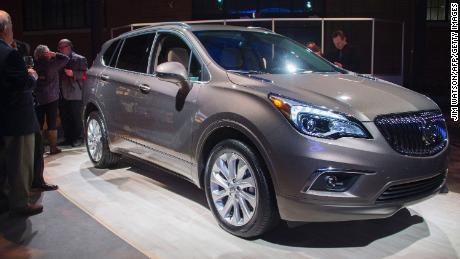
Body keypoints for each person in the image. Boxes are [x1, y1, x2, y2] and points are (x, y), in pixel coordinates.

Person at [0, 10, 43, 216]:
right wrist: (32, 76)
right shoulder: (10, 54)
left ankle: (4, 201)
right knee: (19, 164)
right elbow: (23, 84)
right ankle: (19, 204)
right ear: (6, 29)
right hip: (16, 118)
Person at [33, 45, 69, 154]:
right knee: (52, 123)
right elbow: (66, 59)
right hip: (52, 98)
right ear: (46, 54)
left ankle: (39, 149)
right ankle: (53, 148)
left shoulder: (34, 64)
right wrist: (55, 54)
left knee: (38, 123)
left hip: (38, 98)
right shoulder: (52, 64)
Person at [58, 39, 88, 147]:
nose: (61, 49)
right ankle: (68, 138)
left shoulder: (79, 59)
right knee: (65, 118)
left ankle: (79, 138)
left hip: (75, 93)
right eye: (59, 47)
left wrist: (74, 73)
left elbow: (86, 74)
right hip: (62, 92)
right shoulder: (59, 59)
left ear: (70, 47)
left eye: (63, 47)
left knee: (76, 117)